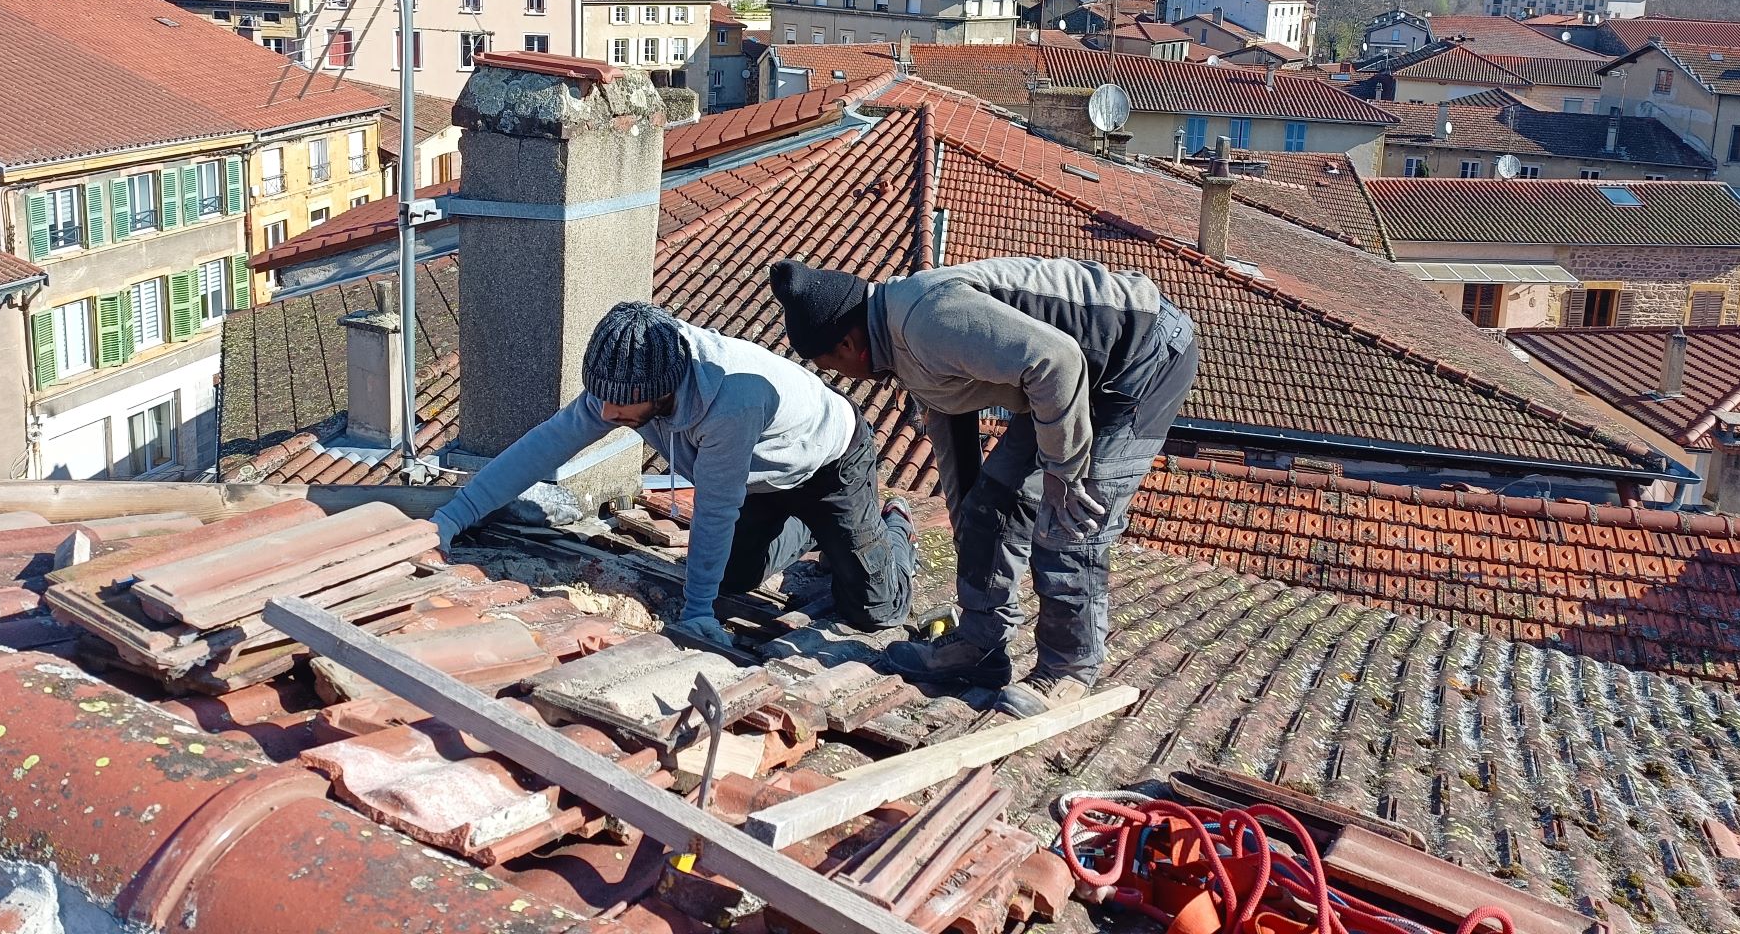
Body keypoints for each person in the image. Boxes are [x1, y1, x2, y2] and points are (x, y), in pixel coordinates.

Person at [769, 256, 1198, 715]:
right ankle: (980, 649)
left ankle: (1068, 671)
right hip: (1064, 381)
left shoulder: (926, 320)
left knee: (1070, 520)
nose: (841, 378)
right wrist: (969, 523)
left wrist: (1064, 471)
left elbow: (1057, 361)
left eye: (831, 366)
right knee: (989, 509)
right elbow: (953, 439)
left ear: (850, 344)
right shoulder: (899, 348)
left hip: (1140, 358)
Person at [432, 301, 915, 647]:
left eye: (622, 404)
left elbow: (715, 509)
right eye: (603, 400)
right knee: (729, 576)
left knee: (875, 610)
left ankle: (894, 522)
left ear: (663, 391)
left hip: (829, 461)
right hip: (758, 476)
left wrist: (698, 614)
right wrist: (454, 518)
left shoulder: (730, 401)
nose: (609, 411)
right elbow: (540, 448)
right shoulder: (626, 379)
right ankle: (814, 533)